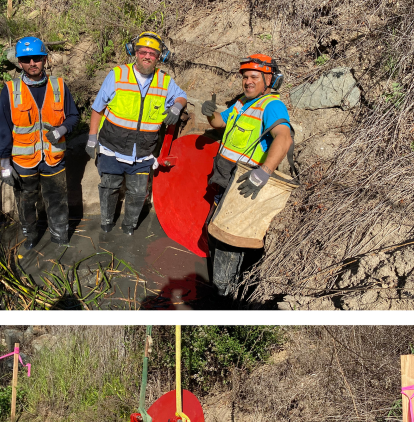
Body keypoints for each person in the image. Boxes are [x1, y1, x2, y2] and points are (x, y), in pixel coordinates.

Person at [200, 53, 295, 297]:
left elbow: (284, 138)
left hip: (244, 187)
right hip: (225, 185)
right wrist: (210, 113)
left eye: (254, 77)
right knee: (214, 237)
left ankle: (225, 302)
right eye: (245, 77)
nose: (248, 81)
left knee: (227, 247)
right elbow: (220, 123)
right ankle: (224, 292)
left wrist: (263, 173)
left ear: (269, 80)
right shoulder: (243, 102)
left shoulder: (271, 106)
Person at [86, 31, 188, 235]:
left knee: (138, 192)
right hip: (111, 147)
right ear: (135, 52)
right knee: (109, 187)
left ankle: (129, 228)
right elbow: (98, 108)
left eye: (152, 53)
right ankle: (106, 224)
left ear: (160, 57)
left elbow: (181, 96)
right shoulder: (117, 74)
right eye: (143, 52)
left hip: (143, 152)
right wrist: (91, 138)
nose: (147, 57)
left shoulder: (164, 81)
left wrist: (177, 107)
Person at [0, 37, 81, 249]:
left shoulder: (59, 86)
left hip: (54, 159)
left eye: (37, 58)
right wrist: (5, 164)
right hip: (23, 161)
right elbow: (3, 128)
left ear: (45, 59)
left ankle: (60, 238)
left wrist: (63, 128)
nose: (32, 63)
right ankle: (31, 236)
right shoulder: (10, 90)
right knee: (26, 202)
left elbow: (73, 116)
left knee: (58, 201)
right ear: (19, 63)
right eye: (26, 59)